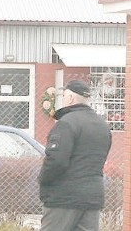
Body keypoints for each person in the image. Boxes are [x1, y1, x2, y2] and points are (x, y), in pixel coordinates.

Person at [39, 79, 112, 231]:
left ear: (70, 98)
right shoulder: (102, 126)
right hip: (92, 197)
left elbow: (56, 161)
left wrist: (43, 181)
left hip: (63, 199)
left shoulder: (66, 123)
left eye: (64, 96)